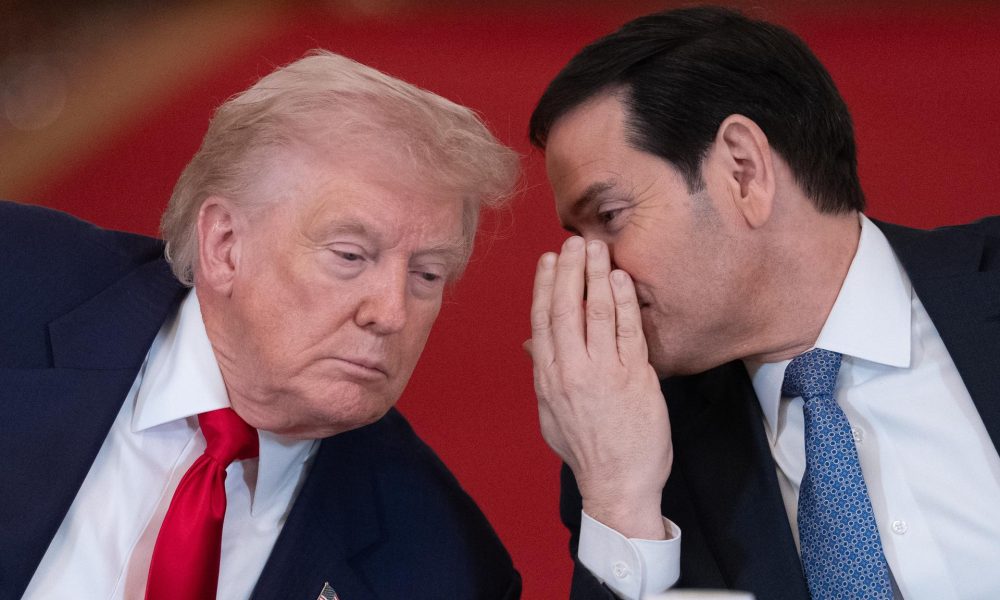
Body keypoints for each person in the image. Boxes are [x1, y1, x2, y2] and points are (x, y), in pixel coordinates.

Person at [1, 50, 521, 600]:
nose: (391, 314)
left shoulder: (445, 568)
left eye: (427, 274)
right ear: (225, 245)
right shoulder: (17, 279)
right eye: (349, 256)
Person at [526, 6, 1000, 600]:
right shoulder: (632, 447)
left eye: (609, 218)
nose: (594, 277)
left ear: (742, 171)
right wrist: (620, 499)